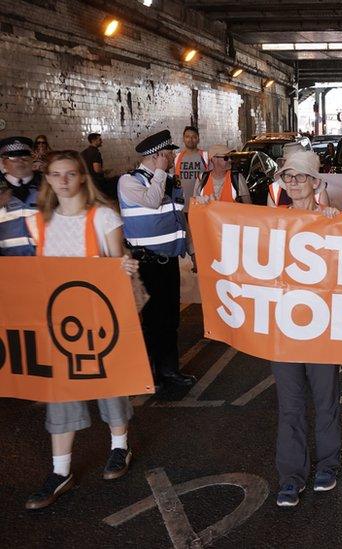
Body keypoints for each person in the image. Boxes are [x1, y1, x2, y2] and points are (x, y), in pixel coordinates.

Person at [22, 150, 140, 510]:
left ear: (82, 177)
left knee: (110, 387)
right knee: (61, 394)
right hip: (59, 323)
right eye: (55, 174)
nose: (62, 180)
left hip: (99, 318)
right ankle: (61, 472)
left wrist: (125, 268)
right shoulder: (37, 222)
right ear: (48, 180)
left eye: (69, 174)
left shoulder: (103, 217)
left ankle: (120, 447)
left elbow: (115, 269)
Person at [261, 151, 342, 507]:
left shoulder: (333, 221)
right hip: (285, 330)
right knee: (290, 407)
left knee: (326, 403)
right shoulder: (271, 221)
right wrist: (204, 207)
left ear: (315, 182)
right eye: (288, 177)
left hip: (322, 328)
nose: (293, 183)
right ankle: (291, 477)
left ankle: (328, 465)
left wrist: (335, 222)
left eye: (300, 177)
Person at [117, 130, 196, 388]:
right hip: (147, 264)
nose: (173, 156)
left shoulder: (168, 181)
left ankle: (169, 371)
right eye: (169, 153)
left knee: (170, 318)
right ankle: (149, 374)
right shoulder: (130, 182)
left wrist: (191, 250)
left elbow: (179, 219)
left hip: (169, 261)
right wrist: (161, 173)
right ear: (158, 155)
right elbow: (151, 202)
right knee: (152, 321)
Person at [0, 136, 42, 256]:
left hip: (44, 262)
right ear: (4, 162)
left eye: (24, 156)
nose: (20, 161)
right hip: (7, 264)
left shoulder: (47, 185)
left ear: (31, 159)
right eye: (13, 157)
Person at [173, 126, 209, 192]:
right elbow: (175, 180)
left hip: (201, 200)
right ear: (183, 139)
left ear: (198, 139)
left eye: (194, 137)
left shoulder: (205, 156)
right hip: (182, 199)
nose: (190, 139)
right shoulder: (177, 157)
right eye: (187, 137)